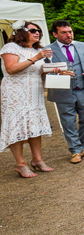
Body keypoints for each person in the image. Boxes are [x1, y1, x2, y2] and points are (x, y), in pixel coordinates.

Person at [1, 21, 54, 177]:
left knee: (34, 124)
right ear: (21, 32)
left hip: (34, 92)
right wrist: (36, 58)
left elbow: (38, 72)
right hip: (15, 92)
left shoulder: (38, 50)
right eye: (33, 30)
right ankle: (20, 164)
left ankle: (37, 159)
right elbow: (11, 69)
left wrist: (56, 70)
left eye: (38, 31)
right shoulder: (10, 47)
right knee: (16, 125)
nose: (37, 33)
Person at [47, 20, 84, 164]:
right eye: (64, 32)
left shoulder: (82, 45)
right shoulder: (48, 50)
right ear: (55, 34)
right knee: (68, 122)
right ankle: (75, 150)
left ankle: (83, 145)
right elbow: (43, 71)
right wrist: (56, 73)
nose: (68, 35)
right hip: (62, 92)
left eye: (70, 31)